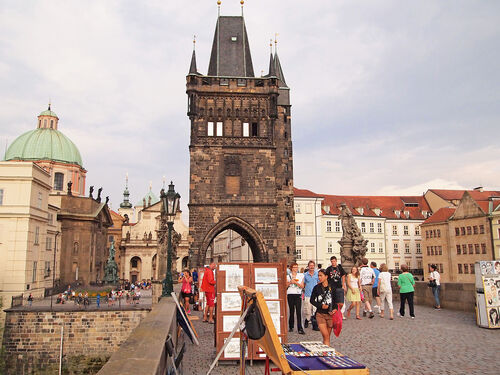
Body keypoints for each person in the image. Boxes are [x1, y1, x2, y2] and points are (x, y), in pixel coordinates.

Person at [310, 269, 337, 346]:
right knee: (325, 335)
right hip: (320, 314)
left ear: (326, 276)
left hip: (330, 314)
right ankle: (327, 353)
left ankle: (325, 352)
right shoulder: (316, 288)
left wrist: (335, 309)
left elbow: (336, 300)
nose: (319, 277)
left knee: (327, 337)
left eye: (321, 275)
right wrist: (321, 305)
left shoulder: (332, 287)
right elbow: (312, 300)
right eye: (318, 275)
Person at [287, 262, 305, 334]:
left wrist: (296, 283)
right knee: (291, 311)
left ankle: (300, 328)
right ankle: (291, 326)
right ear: (291, 268)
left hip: (298, 294)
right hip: (290, 294)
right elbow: (285, 286)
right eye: (294, 267)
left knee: (298, 311)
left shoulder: (301, 275)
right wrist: (291, 282)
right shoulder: (288, 276)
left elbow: (302, 286)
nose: (295, 269)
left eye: (296, 267)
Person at [303, 260, 319, 330]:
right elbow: (304, 284)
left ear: (314, 266)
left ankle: (315, 324)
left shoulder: (317, 274)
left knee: (315, 310)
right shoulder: (305, 275)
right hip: (308, 294)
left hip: (315, 295)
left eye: (313, 265)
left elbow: (319, 283)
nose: (311, 267)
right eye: (310, 266)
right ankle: (307, 319)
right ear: (308, 266)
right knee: (308, 310)